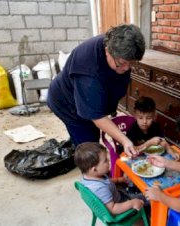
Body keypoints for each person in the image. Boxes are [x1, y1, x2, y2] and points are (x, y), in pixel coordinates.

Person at [47, 24, 145, 157]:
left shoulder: (116, 42)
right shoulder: (88, 72)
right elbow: (96, 116)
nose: (127, 68)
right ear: (107, 51)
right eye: (122, 63)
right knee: (90, 148)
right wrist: (124, 140)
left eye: (131, 63)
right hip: (67, 104)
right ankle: (89, 171)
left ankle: (78, 145)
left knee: (92, 133)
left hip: (85, 96)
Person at [74, 142, 146, 215]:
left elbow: (106, 181)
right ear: (94, 169)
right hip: (120, 205)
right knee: (146, 198)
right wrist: (132, 203)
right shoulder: (100, 188)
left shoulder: (90, 176)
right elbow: (113, 209)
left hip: (115, 196)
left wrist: (119, 179)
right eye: (105, 161)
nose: (109, 161)